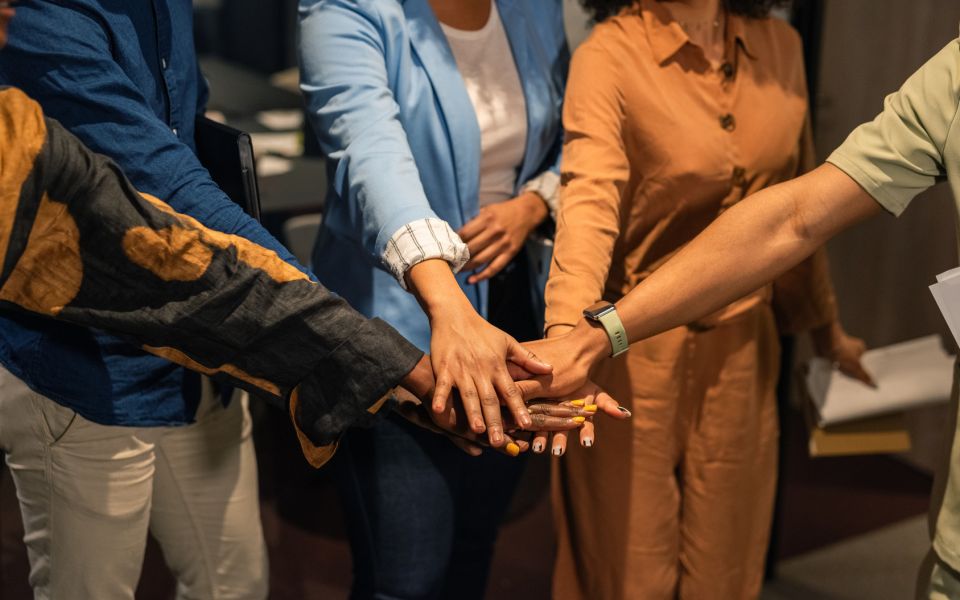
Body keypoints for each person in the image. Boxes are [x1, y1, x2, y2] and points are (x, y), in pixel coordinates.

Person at [518, 22, 960, 600]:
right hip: (635, 350)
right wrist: (573, 337)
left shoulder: (782, 48)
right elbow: (592, 200)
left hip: (745, 353)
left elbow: (797, 204)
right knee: (627, 571)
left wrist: (826, 333)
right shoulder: (611, 52)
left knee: (725, 570)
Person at [298, 1, 626, 597]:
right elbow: (369, 153)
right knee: (405, 574)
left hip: (512, 310)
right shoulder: (348, 9)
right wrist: (447, 301)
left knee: (477, 540)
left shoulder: (534, 8)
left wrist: (534, 203)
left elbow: (570, 139)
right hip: (396, 323)